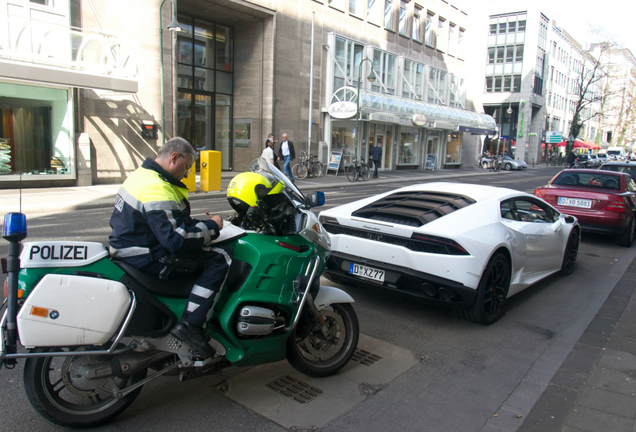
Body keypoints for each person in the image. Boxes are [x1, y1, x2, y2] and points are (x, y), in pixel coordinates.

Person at [109, 137, 231, 358]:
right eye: (187, 167)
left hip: (131, 246)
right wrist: (212, 227)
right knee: (220, 258)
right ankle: (191, 326)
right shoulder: (157, 187)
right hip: (146, 254)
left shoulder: (142, 175)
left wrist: (198, 224)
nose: (187, 174)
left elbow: (167, 221)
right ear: (175, 157)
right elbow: (176, 240)